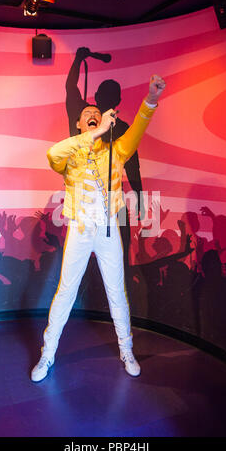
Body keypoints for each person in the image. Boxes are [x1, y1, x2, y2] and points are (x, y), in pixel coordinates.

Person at [31, 74, 166, 382]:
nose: (92, 115)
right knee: (66, 291)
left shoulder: (116, 151)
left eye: (96, 113)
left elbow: (139, 131)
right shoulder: (71, 153)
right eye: (86, 115)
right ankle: (47, 354)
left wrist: (151, 100)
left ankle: (126, 350)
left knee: (116, 290)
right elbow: (52, 155)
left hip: (108, 231)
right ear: (80, 125)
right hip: (80, 230)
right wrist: (94, 134)